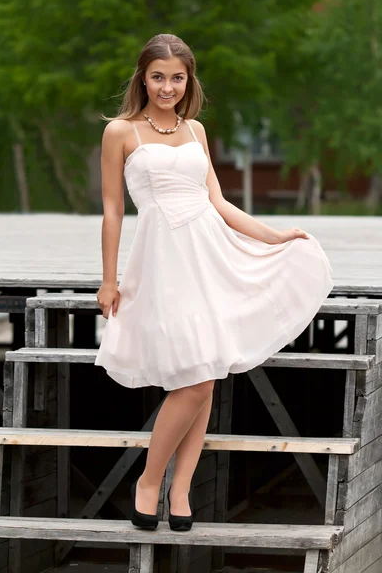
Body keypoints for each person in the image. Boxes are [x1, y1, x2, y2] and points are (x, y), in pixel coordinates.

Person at [95, 34, 334, 532]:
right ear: (143, 76)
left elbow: (219, 204)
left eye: (177, 78)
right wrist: (108, 280)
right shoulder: (121, 132)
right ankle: (148, 479)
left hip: (209, 255)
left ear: (189, 80)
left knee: (206, 375)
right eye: (158, 77)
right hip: (163, 260)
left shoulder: (196, 131)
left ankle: (180, 490)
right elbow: (113, 211)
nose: (167, 87)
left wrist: (273, 236)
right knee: (196, 377)